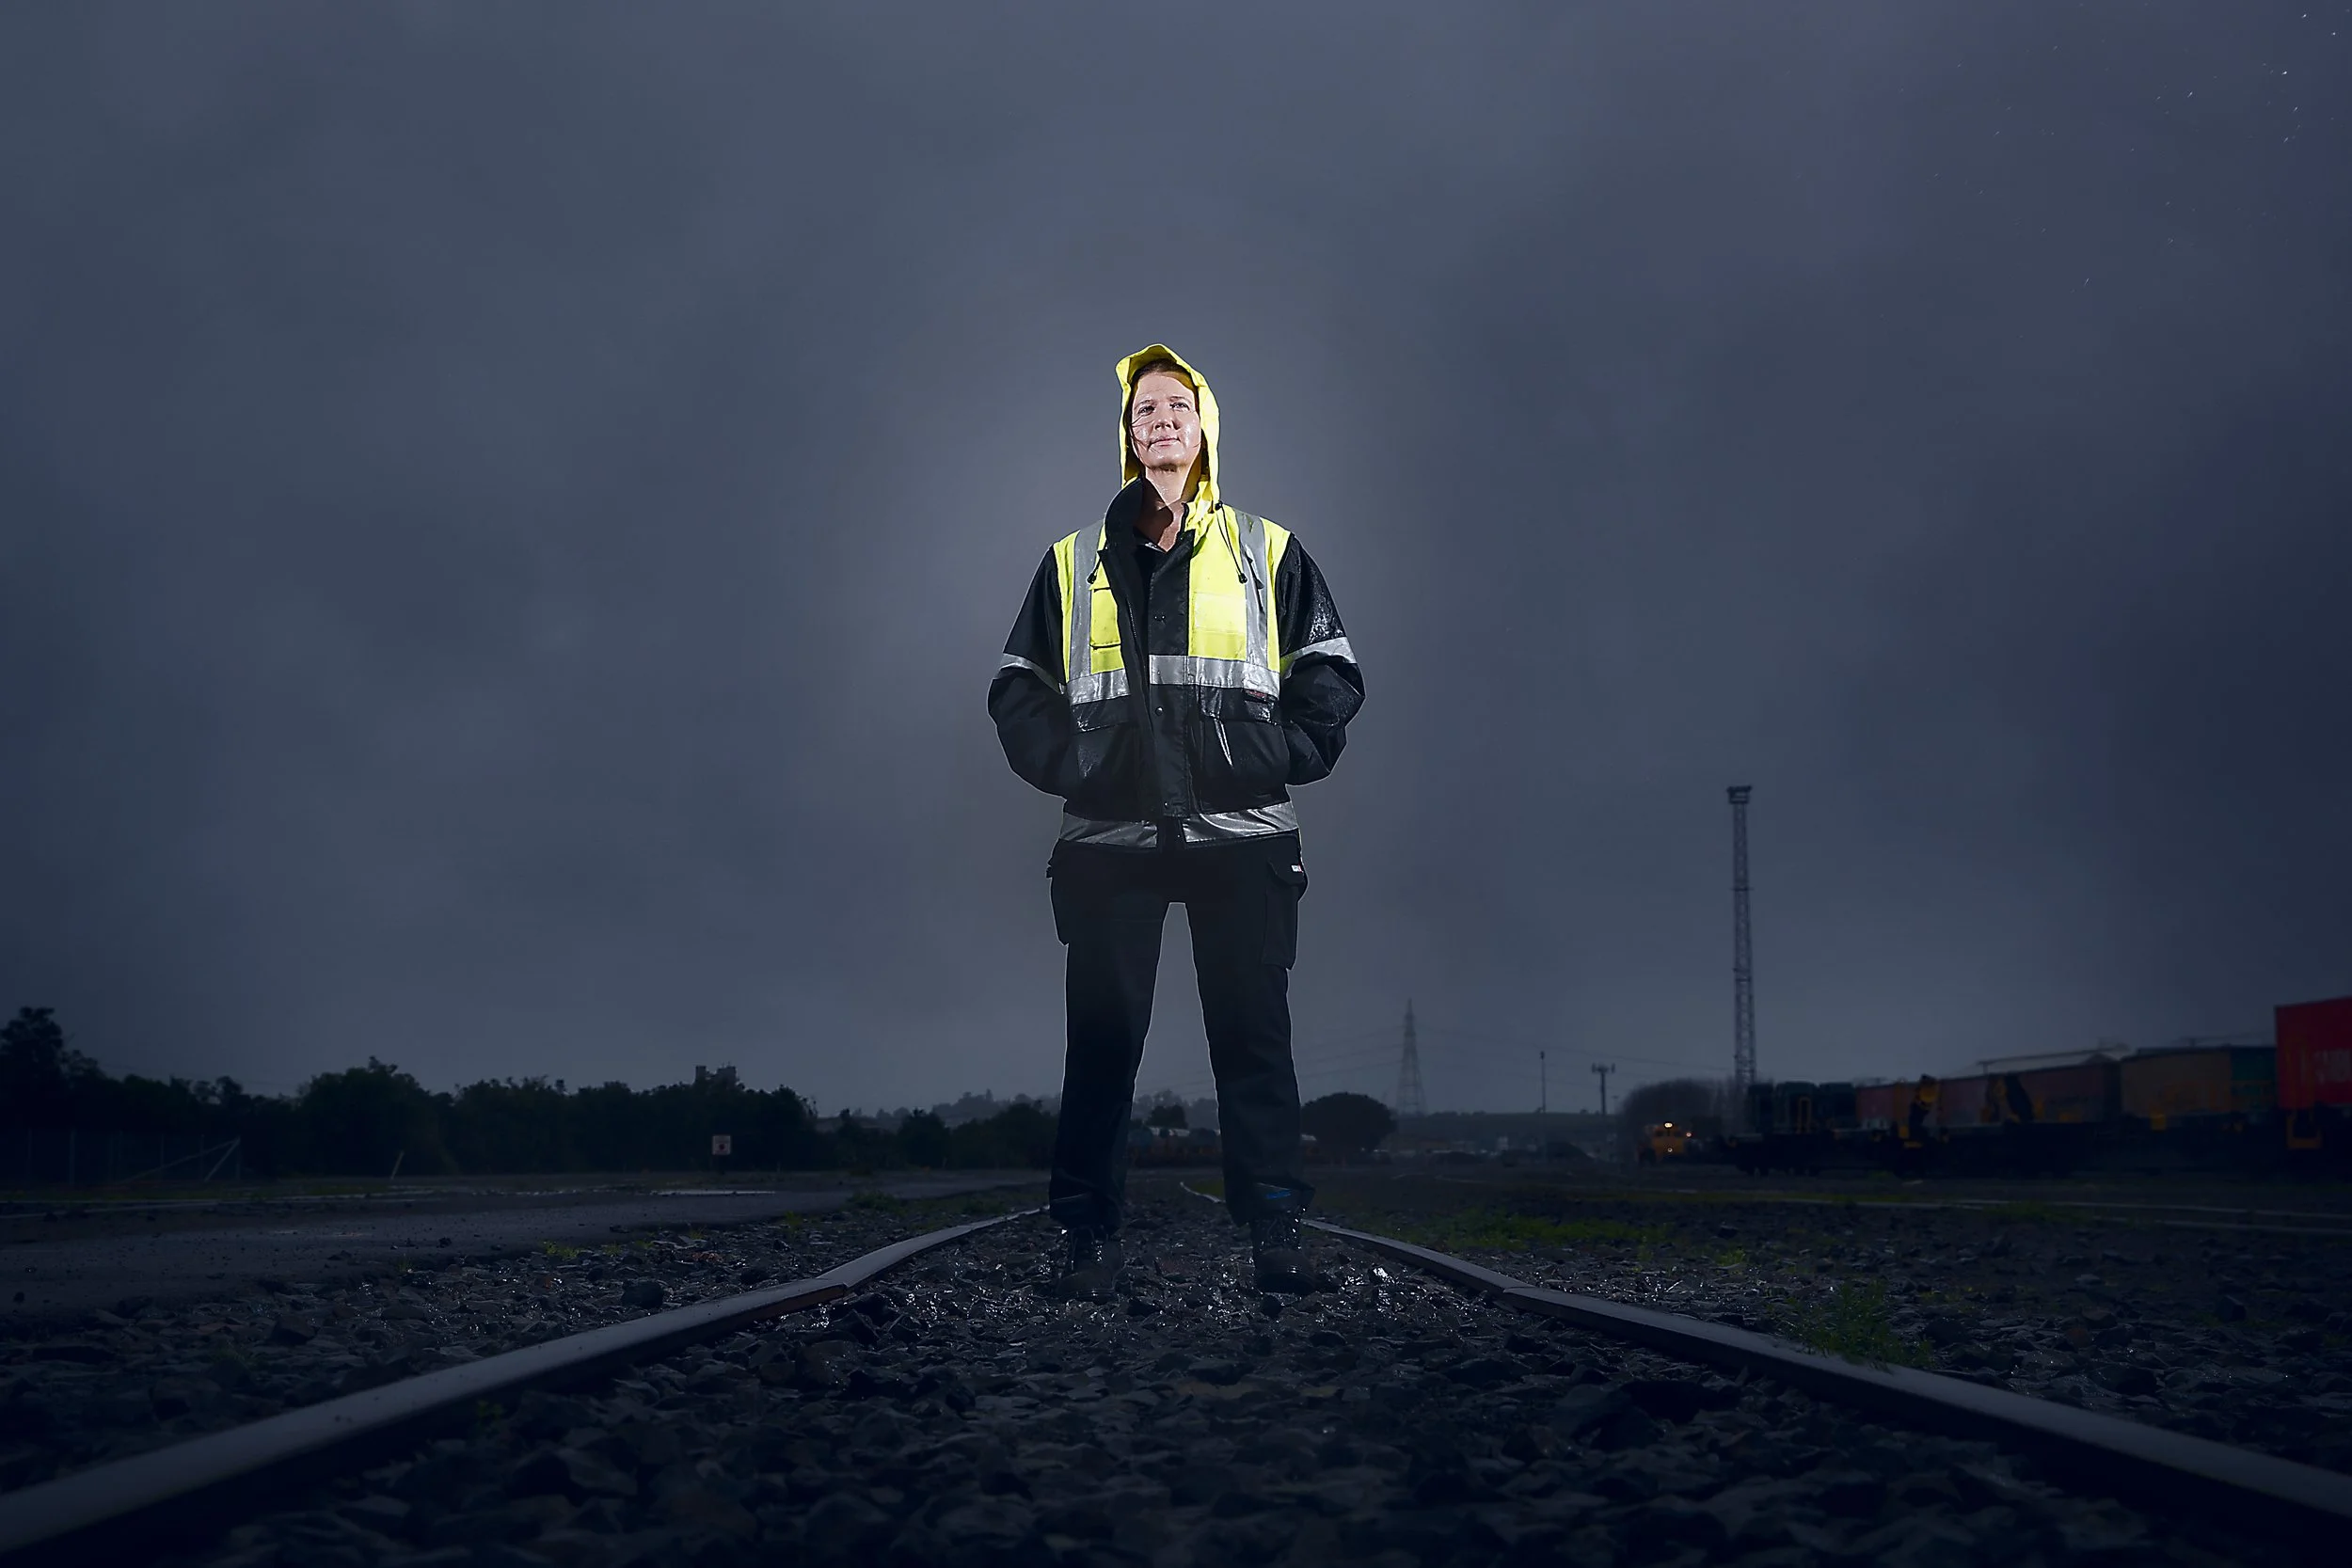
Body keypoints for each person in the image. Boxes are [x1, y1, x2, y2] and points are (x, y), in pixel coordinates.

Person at [989, 345, 1364, 1298]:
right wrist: (1078, 765)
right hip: (1109, 846)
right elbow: (1016, 689)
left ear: (1205, 431)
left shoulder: (1265, 550)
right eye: (1144, 408)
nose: (1160, 420)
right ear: (1126, 434)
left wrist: (1277, 755)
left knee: (1252, 1036)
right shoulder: (1070, 561)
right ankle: (1085, 1242)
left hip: (1242, 839)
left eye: (1178, 407)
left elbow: (1330, 673)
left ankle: (1277, 1233)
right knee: (1104, 1042)